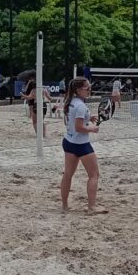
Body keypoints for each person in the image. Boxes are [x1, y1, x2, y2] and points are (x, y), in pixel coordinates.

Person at [60, 78, 106, 214]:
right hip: (80, 144)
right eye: (87, 88)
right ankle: (92, 207)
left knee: (68, 174)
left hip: (68, 141)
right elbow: (79, 127)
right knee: (94, 175)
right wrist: (93, 129)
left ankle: (64, 206)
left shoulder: (70, 102)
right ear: (78, 90)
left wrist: (88, 118)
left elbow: (75, 120)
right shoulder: (80, 106)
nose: (89, 90)